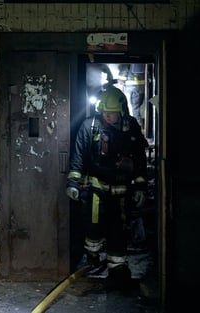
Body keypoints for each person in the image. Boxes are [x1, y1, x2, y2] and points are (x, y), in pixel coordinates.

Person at [66, 86, 148, 287]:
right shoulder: (90, 126)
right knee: (92, 227)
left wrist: (140, 187)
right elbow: (78, 156)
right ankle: (92, 257)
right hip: (95, 188)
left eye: (111, 113)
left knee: (118, 230)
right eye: (105, 112)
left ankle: (117, 267)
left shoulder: (132, 128)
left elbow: (139, 159)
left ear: (121, 111)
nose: (107, 117)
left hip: (121, 190)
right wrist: (73, 183)